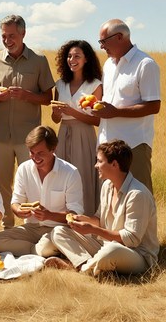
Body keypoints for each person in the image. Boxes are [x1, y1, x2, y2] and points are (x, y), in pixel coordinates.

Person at [41, 140, 159, 276]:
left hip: (137, 255)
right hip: (107, 245)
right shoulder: (107, 186)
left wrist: (92, 229)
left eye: (99, 161)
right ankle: (84, 265)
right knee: (59, 232)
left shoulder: (137, 194)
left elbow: (131, 239)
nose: (96, 165)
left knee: (112, 251)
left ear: (114, 164)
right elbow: (99, 219)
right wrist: (83, 220)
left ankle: (81, 269)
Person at [0, 15, 55, 228]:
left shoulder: (39, 61)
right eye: (4, 36)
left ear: (23, 34)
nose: (7, 40)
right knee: (3, 183)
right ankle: (6, 227)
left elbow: (48, 97)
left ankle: (31, 227)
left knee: (31, 182)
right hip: (0, 135)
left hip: (30, 138)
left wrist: (27, 95)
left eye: (12, 35)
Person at [0, 126, 84, 257]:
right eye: (31, 152)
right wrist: (18, 211)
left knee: (51, 242)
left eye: (40, 153)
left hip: (58, 230)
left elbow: (75, 215)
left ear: (53, 149)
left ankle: (41, 250)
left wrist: (49, 215)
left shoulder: (70, 172)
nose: (35, 157)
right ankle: (40, 251)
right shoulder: (24, 169)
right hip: (32, 228)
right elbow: (16, 202)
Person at [94, 19, 161, 193]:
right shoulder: (108, 65)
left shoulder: (145, 64)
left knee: (139, 197)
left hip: (134, 146)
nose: (101, 46)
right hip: (106, 147)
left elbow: (153, 106)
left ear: (120, 37)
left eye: (103, 41)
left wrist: (115, 112)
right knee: (110, 201)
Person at [51, 40, 103, 215]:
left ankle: (85, 218)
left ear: (86, 59)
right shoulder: (60, 84)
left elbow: (98, 121)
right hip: (63, 133)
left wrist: (71, 111)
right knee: (61, 176)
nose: (72, 59)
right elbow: (55, 119)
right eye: (69, 56)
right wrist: (57, 113)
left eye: (77, 56)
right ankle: (62, 219)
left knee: (83, 176)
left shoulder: (95, 85)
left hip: (85, 134)